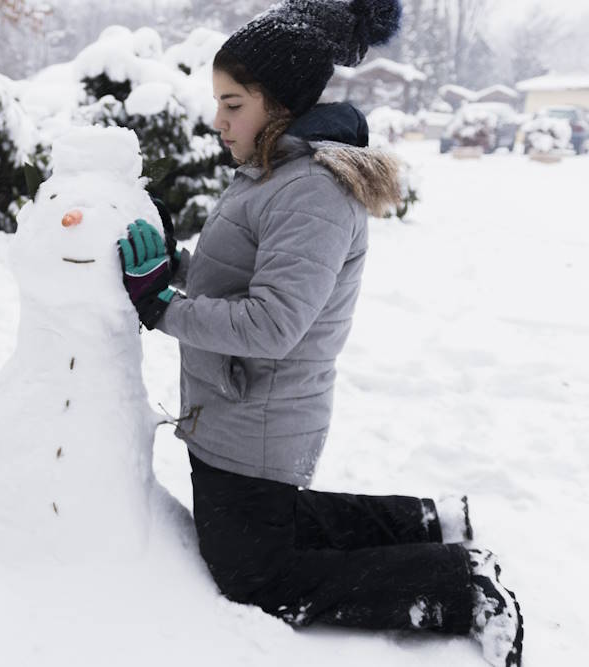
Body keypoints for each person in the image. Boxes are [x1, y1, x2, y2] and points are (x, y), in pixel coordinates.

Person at [115, 1, 523, 665]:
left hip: (260, 414)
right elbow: (241, 279)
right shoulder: (271, 176)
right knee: (271, 528)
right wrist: (175, 264)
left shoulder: (311, 191)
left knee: (256, 575)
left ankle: (462, 587)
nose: (218, 121)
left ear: (277, 106)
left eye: (233, 104)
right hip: (236, 405)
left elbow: (274, 322)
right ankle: (429, 520)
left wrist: (161, 305)